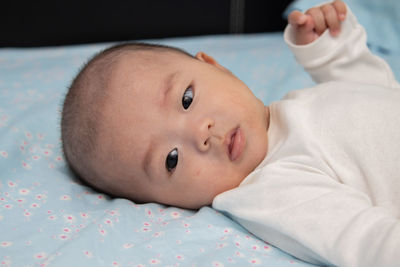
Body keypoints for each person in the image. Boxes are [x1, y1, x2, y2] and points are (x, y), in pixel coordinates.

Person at [61, 1, 400, 266]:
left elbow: (376, 93)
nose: (201, 134)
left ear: (215, 66)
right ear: (166, 203)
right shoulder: (272, 191)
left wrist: (330, 49)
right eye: (171, 159)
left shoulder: (292, 110)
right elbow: (367, 243)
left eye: (186, 98)